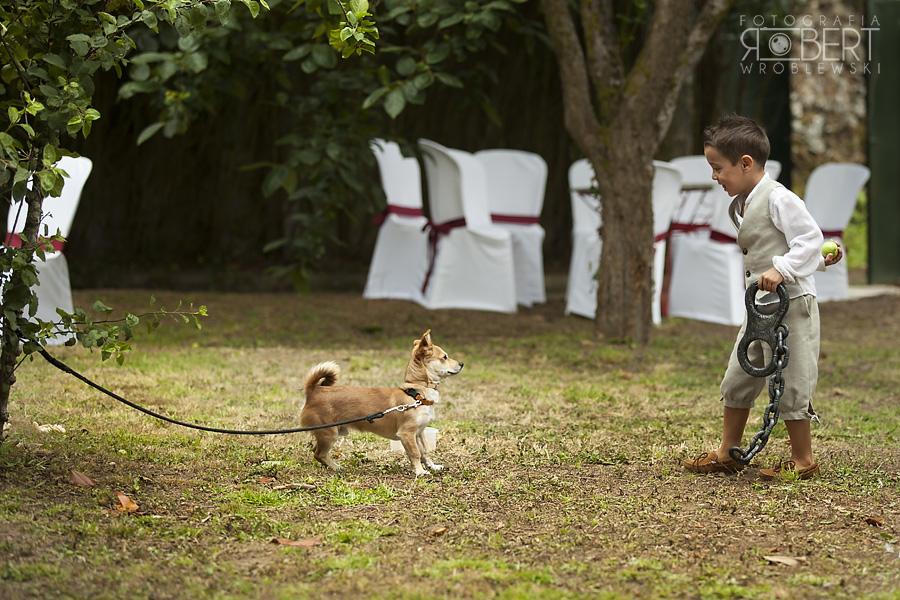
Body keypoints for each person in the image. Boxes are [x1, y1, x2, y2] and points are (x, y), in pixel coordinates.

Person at [683, 114, 843, 481]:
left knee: (791, 379)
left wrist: (784, 268)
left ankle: (803, 460)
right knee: (739, 375)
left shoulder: (779, 198)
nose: (714, 177)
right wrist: (816, 260)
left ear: (746, 163)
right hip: (761, 309)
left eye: (717, 168)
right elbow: (793, 247)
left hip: (793, 308)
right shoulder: (744, 200)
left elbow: (808, 238)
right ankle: (728, 452)